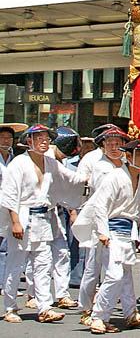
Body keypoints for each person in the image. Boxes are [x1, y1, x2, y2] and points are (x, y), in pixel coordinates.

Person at [73, 139, 140, 335]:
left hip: (128, 232)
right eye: (139, 154)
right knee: (114, 275)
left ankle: (130, 313)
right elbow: (100, 205)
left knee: (126, 274)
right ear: (128, 156)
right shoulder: (114, 177)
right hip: (111, 231)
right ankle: (98, 316)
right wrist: (102, 231)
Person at [0, 124, 87, 324]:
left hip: (44, 219)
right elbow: (10, 194)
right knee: (15, 265)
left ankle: (45, 307)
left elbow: (70, 178)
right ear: (29, 141)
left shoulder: (51, 162)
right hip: (23, 216)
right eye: (39, 138)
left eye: (47, 138)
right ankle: (10, 307)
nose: (44, 141)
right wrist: (15, 222)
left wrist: (90, 179)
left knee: (43, 265)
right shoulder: (18, 163)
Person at [77, 126, 129, 326]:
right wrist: (101, 229)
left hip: (119, 223)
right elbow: (100, 201)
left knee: (116, 268)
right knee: (93, 266)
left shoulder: (125, 165)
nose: (114, 147)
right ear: (103, 146)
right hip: (100, 221)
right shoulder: (100, 166)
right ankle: (86, 308)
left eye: (118, 144)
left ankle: (119, 308)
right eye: (110, 144)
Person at [49, 127, 83, 309]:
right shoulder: (44, 159)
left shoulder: (58, 163)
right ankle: (33, 295)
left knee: (61, 252)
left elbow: (69, 181)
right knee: (34, 257)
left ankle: (62, 294)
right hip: (33, 212)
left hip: (54, 211)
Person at [0, 123, 26, 292]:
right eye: (2, 138)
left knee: (7, 244)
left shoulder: (16, 158)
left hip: (10, 204)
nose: (6, 141)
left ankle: (5, 281)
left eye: (9, 138)